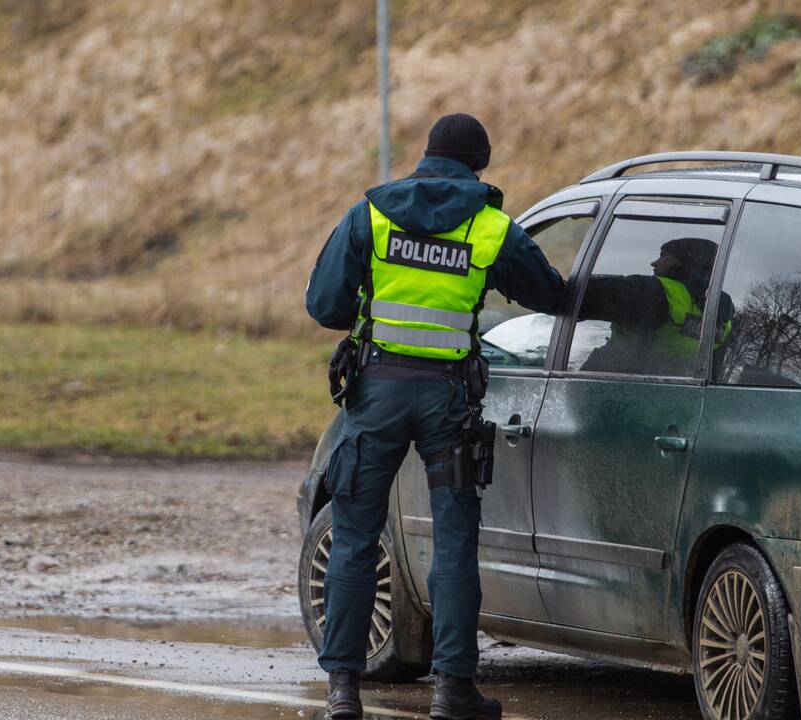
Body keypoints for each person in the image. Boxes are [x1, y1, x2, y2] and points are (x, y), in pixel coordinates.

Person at [304, 113, 565, 720]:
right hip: (447, 400)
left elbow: (323, 304)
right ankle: (453, 690)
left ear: (425, 156)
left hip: (377, 395)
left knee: (355, 538)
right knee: (453, 543)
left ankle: (343, 690)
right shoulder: (490, 225)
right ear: (481, 165)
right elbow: (549, 294)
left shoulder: (371, 213)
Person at [578, 237, 733, 375]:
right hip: (680, 399)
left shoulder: (654, 291)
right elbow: (713, 373)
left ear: (683, 263)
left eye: (663, 256)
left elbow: (572, 296)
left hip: (610, 392)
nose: (654, 263)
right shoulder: (723, 317)